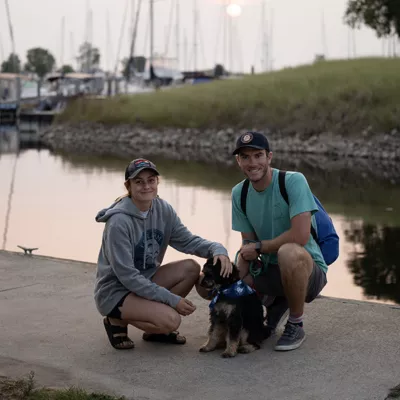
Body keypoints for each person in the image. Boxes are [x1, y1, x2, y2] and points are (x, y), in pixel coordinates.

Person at [94, 158, 231, 350]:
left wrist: (217, 249)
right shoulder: (118, 222)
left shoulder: (162, 209)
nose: (146, 186)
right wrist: (172, 300)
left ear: (158, 182)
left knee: (191, 268)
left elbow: (187, 241)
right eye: (138, 181)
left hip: (145, 280)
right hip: (116, 291)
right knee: (171, 321)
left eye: (151, 180)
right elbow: (128, 277)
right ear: (128, 185)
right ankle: (116, 319)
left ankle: (153, 327)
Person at [230, 131, 328, 351]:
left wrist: (260, 247)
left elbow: (301, 236)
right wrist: (235, 284)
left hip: (308, 269)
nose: (252, 162)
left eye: (258, 155)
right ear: (238, 161)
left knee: (288, 253)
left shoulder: (293, 181)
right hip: (268, 270)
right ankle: (275, 305)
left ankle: (295, 323)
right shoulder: (239, 193)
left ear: (269, 157)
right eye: (245, 157)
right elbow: (247, 245)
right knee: (217, 287)